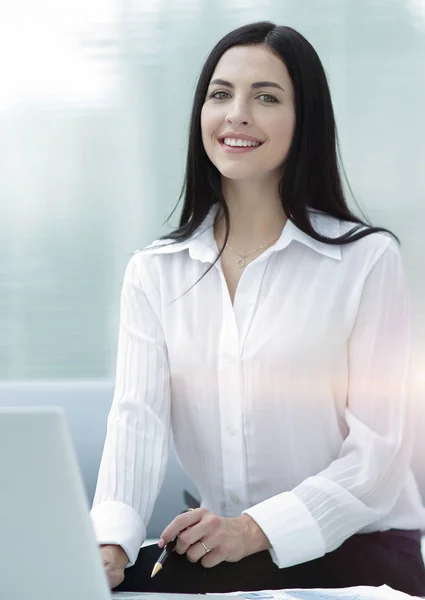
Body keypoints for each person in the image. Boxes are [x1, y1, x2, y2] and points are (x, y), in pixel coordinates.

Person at [90, 21, 425, 596]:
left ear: (306, 121)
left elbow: (380, 454)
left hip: (358, 553)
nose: (236, 114)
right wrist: (110, 545)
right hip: (221, 551)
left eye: (265, 97)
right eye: (220, 94)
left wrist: (256, 529)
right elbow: (135, 423)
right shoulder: (154, 271)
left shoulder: (368, 260)